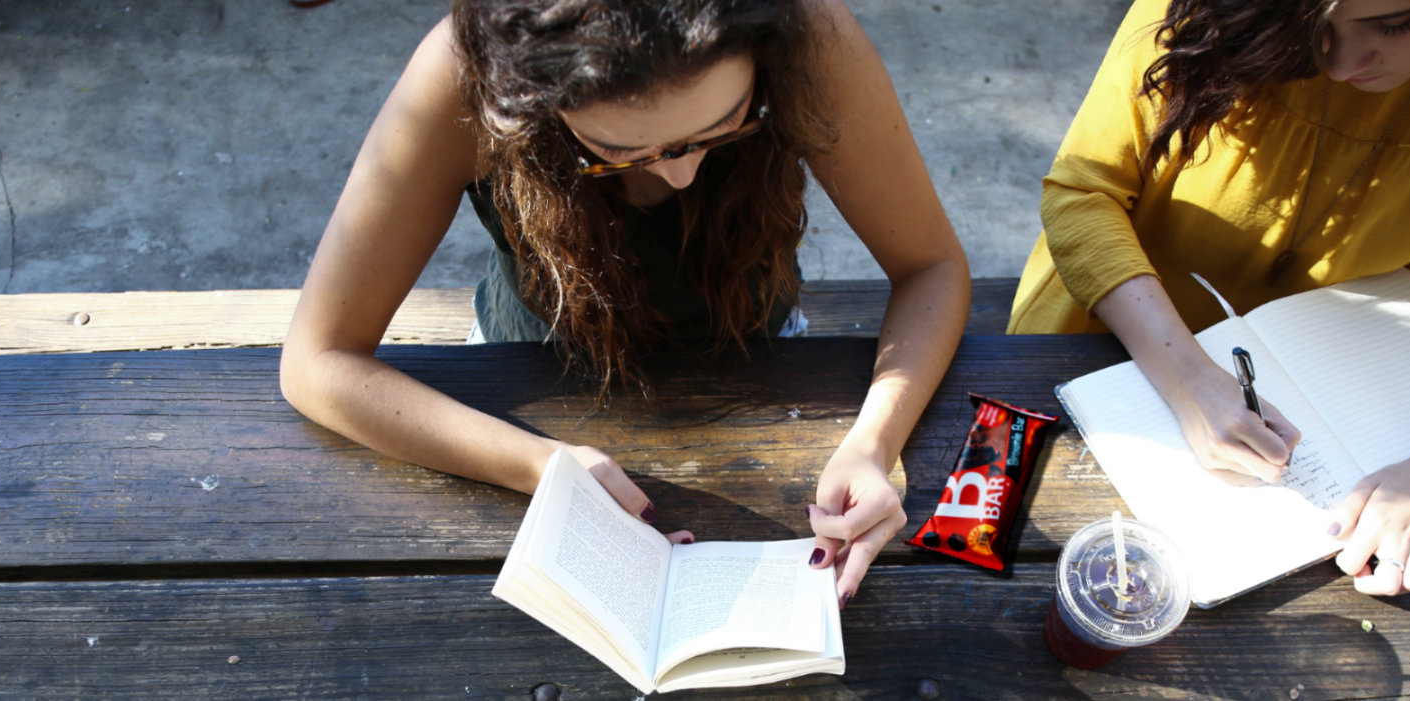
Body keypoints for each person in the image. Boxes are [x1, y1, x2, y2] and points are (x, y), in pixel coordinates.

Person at [280, 0, 970, 608]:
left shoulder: (806, 31)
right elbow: (317, 360)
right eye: (617, 149)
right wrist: (539, 465)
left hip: (759, 355)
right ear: (527, 94)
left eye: (726, 124)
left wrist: (874, 444)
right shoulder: (466, 70)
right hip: (521, 381)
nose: (680, 172)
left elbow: (931, 266)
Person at [1011, 0, 1410, 596]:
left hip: (1374, 410)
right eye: (1314, 26)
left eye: (1395, 24)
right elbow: (1083, 192)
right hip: (1102, 334)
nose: (1342, 63)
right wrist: (1187, 377)